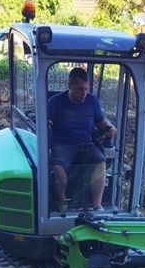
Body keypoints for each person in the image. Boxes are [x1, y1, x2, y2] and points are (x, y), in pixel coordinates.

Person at [48, 67, 116, 211]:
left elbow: (100, 121)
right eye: (80, 89)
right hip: (62, 145)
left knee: (101, 162)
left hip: (86, 143)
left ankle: (97, 205)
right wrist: (47, 125)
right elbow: (44, 123)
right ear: (70, 86)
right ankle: (62, 202)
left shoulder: (92, 101)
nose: (84, 93)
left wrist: (109, 127)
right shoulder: (54, 102)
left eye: (86, 89)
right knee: (58, 169)